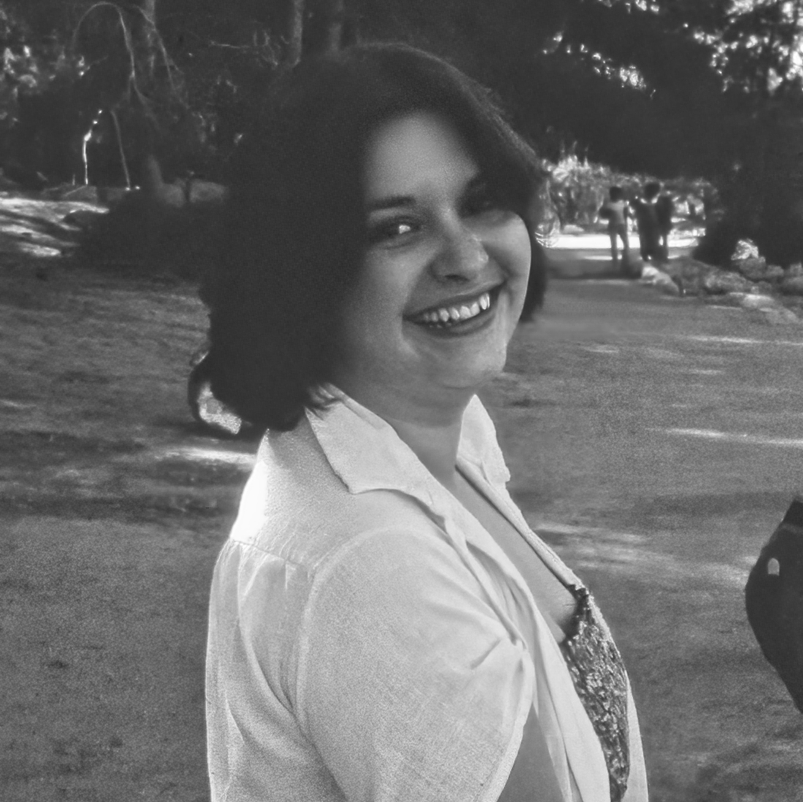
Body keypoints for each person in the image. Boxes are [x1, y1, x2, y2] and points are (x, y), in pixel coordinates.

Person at [202, 42, 649, 802]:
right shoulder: (371, 562)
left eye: (480, 202)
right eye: (397, 229)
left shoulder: (445, 443)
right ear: (306, 273)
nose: (466, 257)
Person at [598, 186, 631, 273]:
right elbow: (602, 213)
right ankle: (616, 262)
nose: (617, 195)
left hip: (619, 225)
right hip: (615, 225)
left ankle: (624, 262)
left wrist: (626, 225)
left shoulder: (623, 203)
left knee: (624, 244)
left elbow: (626, 215)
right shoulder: (609, 204)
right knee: (615, 245)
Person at [630, 182, 662, 264]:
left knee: (649, 239)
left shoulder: (650, 202)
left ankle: (649, 254)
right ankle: (648, 255)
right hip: (648, 224)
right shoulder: (643, 202)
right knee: (649, 239)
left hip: (648, 224)